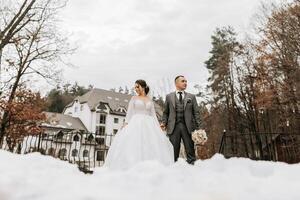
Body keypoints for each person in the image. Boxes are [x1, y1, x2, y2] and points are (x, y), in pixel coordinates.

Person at [103, 79, 174, 170]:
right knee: (134, 144)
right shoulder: (134, 98)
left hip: (149, 124)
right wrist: (126, 123)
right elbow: (129, 113)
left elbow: (153, 115)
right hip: (136, 123)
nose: (136, 89)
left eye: (138, 86)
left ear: (143, 87)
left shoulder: (149, 100)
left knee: (151, 145)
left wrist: (158, 126)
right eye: (135, 87)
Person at [160, 75, 202, 165]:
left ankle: (192, 169)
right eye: (183, 81)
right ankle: (173, 170)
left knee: (190, 150)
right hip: (173, 127)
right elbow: (166, 112)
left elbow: (196, 113)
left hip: (188, 127)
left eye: (186, 81)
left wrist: (199, 128)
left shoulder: (192, 97)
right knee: (173, 152)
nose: (185, 83)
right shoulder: (169, 97)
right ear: (176, 83)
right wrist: (164, 122)